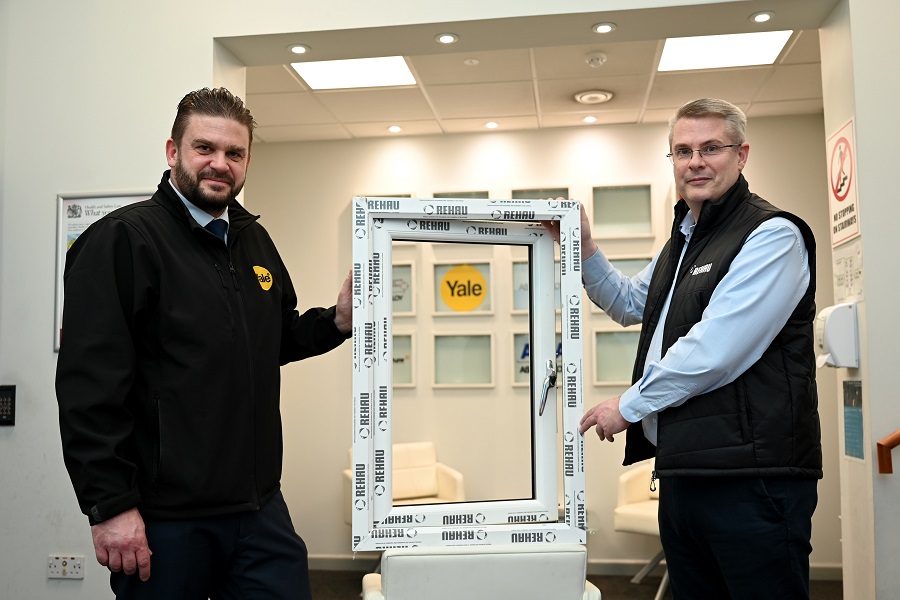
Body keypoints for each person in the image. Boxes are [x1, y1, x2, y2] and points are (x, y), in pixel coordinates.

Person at [55, 87, 352, 599]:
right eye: (204, 148)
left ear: (247, 161)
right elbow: (88, 390)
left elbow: (272, 339)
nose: (220, 164)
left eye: (234, 153)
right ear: (173, 152)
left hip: (259, 511)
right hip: (165, 520)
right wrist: (111, 508)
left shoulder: (253, 240)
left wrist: (338, 322)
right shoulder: (123, 241)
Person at [548, 98, 822, 599]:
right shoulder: (684, 241)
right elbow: (632, 302)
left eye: (710, 148)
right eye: (682, 151)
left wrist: (627, 406)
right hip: (686, 471)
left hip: (752, 480)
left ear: (741, 156)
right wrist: (582, 246)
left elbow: (714, 350)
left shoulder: (772, 235)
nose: (695, 161)